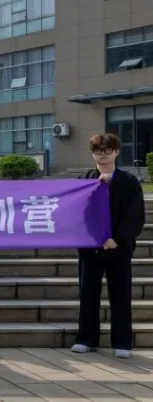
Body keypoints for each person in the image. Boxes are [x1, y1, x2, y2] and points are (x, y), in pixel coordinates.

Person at [73, 133, 144, 359]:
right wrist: (96, 187)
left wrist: (118, 238)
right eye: (98, 150)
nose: (102, 154)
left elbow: (135, 215)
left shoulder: (129, 182)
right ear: (93, 154)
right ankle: (86, 339)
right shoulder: (84, 180)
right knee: (88, 294)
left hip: (119, 249)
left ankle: (122, 342)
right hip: (90, 248)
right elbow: (76, 210)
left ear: (116, 152)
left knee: (120, 295)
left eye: (107, 150)